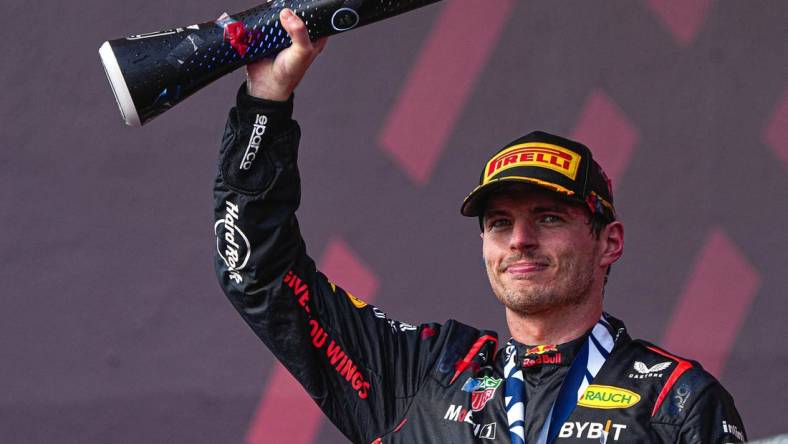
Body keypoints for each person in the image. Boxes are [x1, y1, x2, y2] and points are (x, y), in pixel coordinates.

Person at [212, 9, 747, 443]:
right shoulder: (421, 377)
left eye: (549, 217)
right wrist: (266, 104)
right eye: (499, 223)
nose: (520, 240)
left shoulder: (676, 402)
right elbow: (258, 274)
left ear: (609, 242)